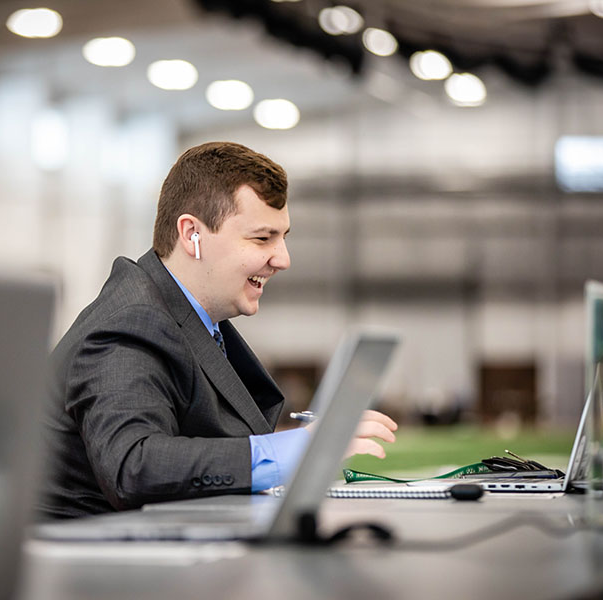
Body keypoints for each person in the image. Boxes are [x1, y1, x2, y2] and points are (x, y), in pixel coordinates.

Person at [38, 141, 396, 519]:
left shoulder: (189, 319)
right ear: (192, 234)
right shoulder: (129, 323)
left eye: (283, 236)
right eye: (262, 238)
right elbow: (134, 465)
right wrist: (298, 450)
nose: (283, 259)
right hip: (99, 567)